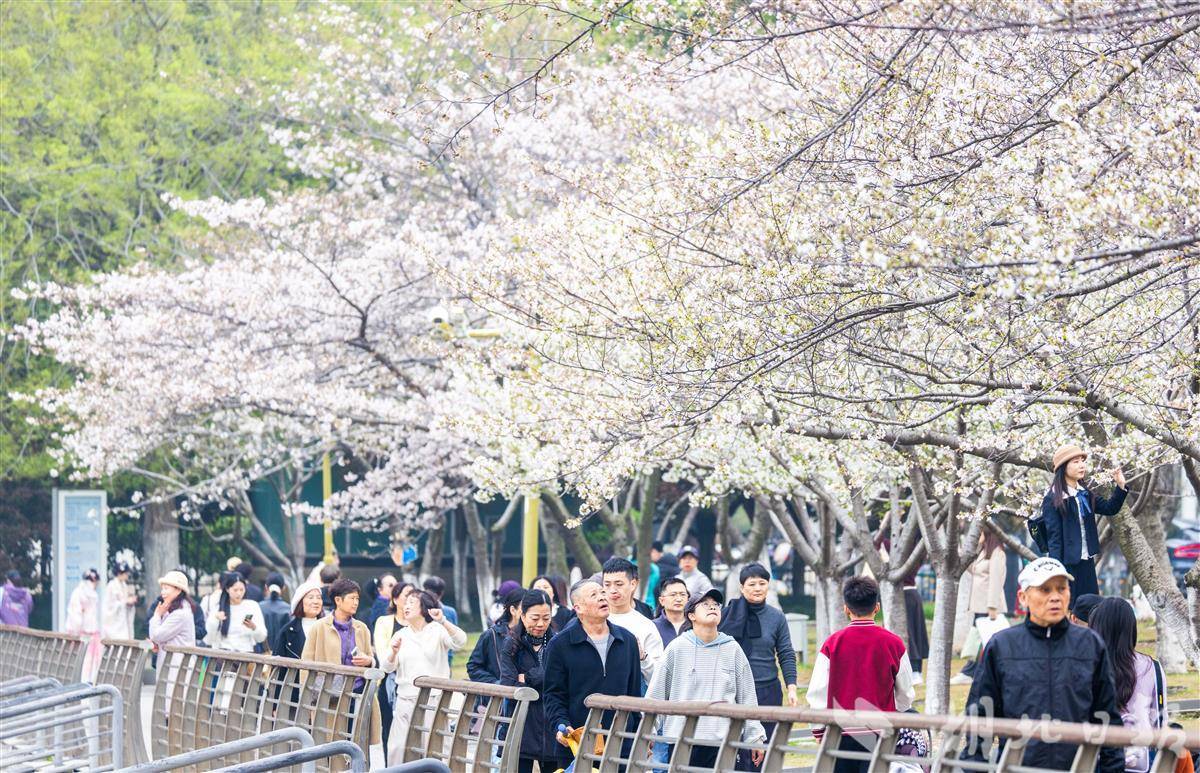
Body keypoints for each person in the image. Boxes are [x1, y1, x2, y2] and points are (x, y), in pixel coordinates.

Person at [960, 557, 1123, 772]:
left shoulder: (1090, 645)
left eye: (1061, 589)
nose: (1055, 597)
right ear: (1023, 597)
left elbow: (1107, 717)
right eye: (1044, 590)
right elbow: (980, 718)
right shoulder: (1001, 647)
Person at [645, 588, 766, 769]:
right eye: (705, 604)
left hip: (723, 739)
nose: (712, 608)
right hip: (681, 739)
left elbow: (747, 696)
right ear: (691, 615)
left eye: (716, 604)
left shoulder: (732, 648)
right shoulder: (676, 648)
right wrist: (648, 732)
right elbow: (656, 694)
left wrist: (754, 736)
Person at [806, 576, 915, 773]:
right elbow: (906, 693)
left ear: (846, 608)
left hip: (840, 733)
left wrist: (818, 730)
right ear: (877, 607)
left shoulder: (832, 644)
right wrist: (897, 712)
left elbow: (818, 692)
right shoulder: (894, 644)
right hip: (881, 731)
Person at [542, 580, 642, 757]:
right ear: (578, 608)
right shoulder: (560, 645)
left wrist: (640, 736)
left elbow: (634, 694)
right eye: (594, 595)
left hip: (621, 741)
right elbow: (553, 694)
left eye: (602, 593)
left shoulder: (627, 640)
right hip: (578, 741)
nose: (602, 597)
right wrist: (561, 724)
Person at [720, 563, 798, 770]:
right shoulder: (726, 615)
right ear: (742, 587)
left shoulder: (777, 617)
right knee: (738, 749)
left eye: (762, 583)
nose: (757, 588)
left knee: (764, 749)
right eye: (751, 584)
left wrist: (791, 685)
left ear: (768, 586)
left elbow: (786, 653)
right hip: (734, 692)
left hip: (767, 691)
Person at [381, 590, 467, 764]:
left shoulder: (437, 630)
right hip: (405, 699)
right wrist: (393, 652)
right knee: (398, 750)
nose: (406, 606)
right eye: (406, 603)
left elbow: (460, 641)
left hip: (433, 700)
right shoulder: (401, 634)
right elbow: (386, 667)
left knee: (433, 749)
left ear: (424, 607)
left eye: (412, 602)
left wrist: (443, 621)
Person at [301, 578, 382, 752]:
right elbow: (305, 666)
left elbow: (372, 659)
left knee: (358, 745)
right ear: (338, 600)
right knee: (331, 746)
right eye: (352, 598)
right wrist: (308, 699)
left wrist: (369, 661)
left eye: (358, 599)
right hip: (329, 696)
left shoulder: (362, 628)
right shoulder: (319, 627)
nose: (356, 602)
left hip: (358, 694)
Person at [1041, 445, 1128, 603]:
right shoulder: (1053, 498)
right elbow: (1054, 539)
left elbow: (1110, 508)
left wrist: (1120, 486)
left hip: (1087, 561)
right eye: (1076, 462)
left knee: (1090, 607)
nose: (1082, 465)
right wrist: (1056, 571)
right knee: (1067, 607)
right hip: (1067, 564)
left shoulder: (1084, 493)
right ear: (1063, 467)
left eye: (1082, 461)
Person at [1090, 598, 1167, 773]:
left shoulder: (1085, 666)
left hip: (1093, 760)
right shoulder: (1152, 668)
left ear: (1095, 627)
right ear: (1132, 629)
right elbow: (1160, 721)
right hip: (1140, 762)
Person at [500, 590, 568, 773]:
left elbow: (560, 681)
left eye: (546, 618)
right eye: (535, 618)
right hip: (522, 726)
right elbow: (509, 686)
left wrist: (528, 678)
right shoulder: (511, 644)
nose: (541, 624)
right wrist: (543, 681)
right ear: (522, 616)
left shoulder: (558, 642)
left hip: (552, 724)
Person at [951, 532, 1008, 685]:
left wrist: (992, 606)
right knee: (979, 639)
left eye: (981, 531)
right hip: (979, 604)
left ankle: (969, 671)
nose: (977, 533)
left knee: (980, 639)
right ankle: (971, 670)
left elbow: (997, 580)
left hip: (988, 606)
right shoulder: (984, 551)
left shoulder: (997, 553)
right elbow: (974, 569)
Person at [602, 557, 662, 686]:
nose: (612, 590)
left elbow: (659, 679)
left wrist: (642, 657)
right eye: (607, 584)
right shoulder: (593, 620)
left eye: (619, 584)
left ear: (633, 584)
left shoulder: (646, 626)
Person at [372, 581, 414, 756]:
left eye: (414, 598)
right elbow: (384, 657)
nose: (410, 601)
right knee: (389, 731)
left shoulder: (420, 625)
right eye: (406, 597)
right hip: (390, 685)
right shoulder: (384, 622)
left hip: (414, 686)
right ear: (395, 599)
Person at [147, 571, 197, 711]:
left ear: (178, 590)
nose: (163, 592)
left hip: (177, 666)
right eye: (162, 588)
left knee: (173, 708)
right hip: (173, 664)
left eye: (166, 588)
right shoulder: (173, 611)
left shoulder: (180, 614)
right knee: (170, 707)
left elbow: (156, 635)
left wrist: (157, 615)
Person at [468, 586, 525, 685]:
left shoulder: (534, 636)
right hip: (498, 697)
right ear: (513, 610)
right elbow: (473, 667)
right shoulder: (491, 635)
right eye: (525, 609)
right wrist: (496, 683)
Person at [204, 572, 267, 652]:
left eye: (241, 590)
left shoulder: (252, 606)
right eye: (235, 590)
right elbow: (208, 639)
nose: (239, 593)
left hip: (246, 654)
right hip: (224, 655)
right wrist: (215, 620)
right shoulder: (218, 608)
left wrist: (253, 627)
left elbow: (261, 638)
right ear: (227, 589)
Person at [65, 568, 102, 679]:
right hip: (93, 634)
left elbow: (75, 616)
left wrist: (73, 632)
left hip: (81, 634)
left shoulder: (78, 592)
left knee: (81, 663)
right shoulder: (94, 594)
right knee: (93, 664)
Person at [273, 579, 324, 659]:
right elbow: (277, 665)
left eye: (319, 598)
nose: (316, 601)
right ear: (300, 603)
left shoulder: (327, 628)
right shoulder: (287, 632)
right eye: (310, 598)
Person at [102, 562, 138, 640]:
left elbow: (123, 603)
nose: (127, 575)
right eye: (125, 573)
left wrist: (130, 603)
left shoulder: (124, 586)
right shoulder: (111, 586)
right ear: (119, 573)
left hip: (123, 623)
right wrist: (125, 602)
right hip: (113, 625)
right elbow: (108, 606)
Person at [260, 572, 292, 653]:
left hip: (259, 656)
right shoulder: (289, 609)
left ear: (266, 587)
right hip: (281, 655)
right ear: (284, 587)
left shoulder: (257, 607)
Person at [653, 576, 688, 648]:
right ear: (662, 601)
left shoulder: (695, 625)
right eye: (673, 595)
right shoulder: (652, 626)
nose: (679, 599)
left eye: (683, 595)